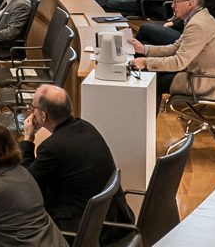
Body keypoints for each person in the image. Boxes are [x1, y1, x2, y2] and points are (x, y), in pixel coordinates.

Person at [19, 85, 131, 231]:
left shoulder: (51, 148)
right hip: (113, 220)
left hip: (84, 229)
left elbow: (25, 182)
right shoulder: (87, 127)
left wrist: (27, 140)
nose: (32, 112)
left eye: (33, 108)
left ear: (43, 116)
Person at [132, 0, 215, 97]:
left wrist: (146, 62)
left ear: (190, 4)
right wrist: (144, 49)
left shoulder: (198, 25)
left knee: (155, 81)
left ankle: (148, 115)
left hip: (208, 83)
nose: (173, 5)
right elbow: (175, 48)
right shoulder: (198, 18)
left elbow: (179, 62)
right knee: (154, 73)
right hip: (200, 73)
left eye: (176, 1)